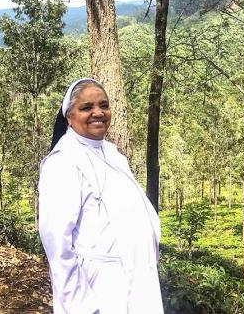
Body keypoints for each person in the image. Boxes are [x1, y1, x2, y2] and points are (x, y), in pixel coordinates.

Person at [38, 78, 164, 314]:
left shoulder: (113, 153)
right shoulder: (63, 162)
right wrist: (81, 304)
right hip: (100, 287)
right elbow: (56, 242)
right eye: (86, 107)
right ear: (69, 116)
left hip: (136, 277)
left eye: (103, 105)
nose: (98, 113)